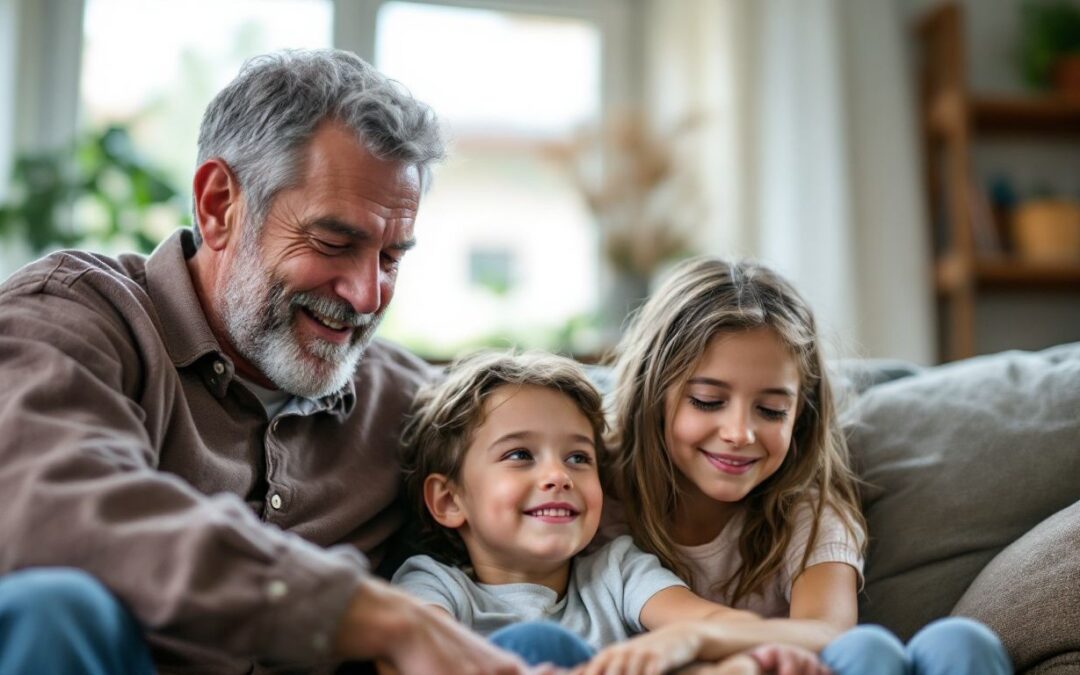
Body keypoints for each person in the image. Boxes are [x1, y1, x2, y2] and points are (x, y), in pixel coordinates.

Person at [0, 49, 539, 675]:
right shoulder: (71, 321)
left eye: (391, 259)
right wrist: (357, 612)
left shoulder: (410, 403)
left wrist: (677, 629)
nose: (366, 296)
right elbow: (47, 510)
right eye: (334, 243)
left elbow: (586, 491)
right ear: (219, 204)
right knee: (53, 608)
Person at [604, 256, 1012, 675]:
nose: (740, 432)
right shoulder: (598, 500)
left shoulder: (807, 512)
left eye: (771, 410)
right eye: (708, 401)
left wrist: (699, 635)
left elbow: (828, 632)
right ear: (650, 393)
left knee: (957, 642)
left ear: (801, 414)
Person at [393, 350, 834, 675]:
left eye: (578, 458)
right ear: (450, 501)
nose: (558, 475)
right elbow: (412, 655)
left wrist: (746, 659)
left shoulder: (617, 571)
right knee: (535, 643)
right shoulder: (432, 584)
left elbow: (710, 624)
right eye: (521, 454)